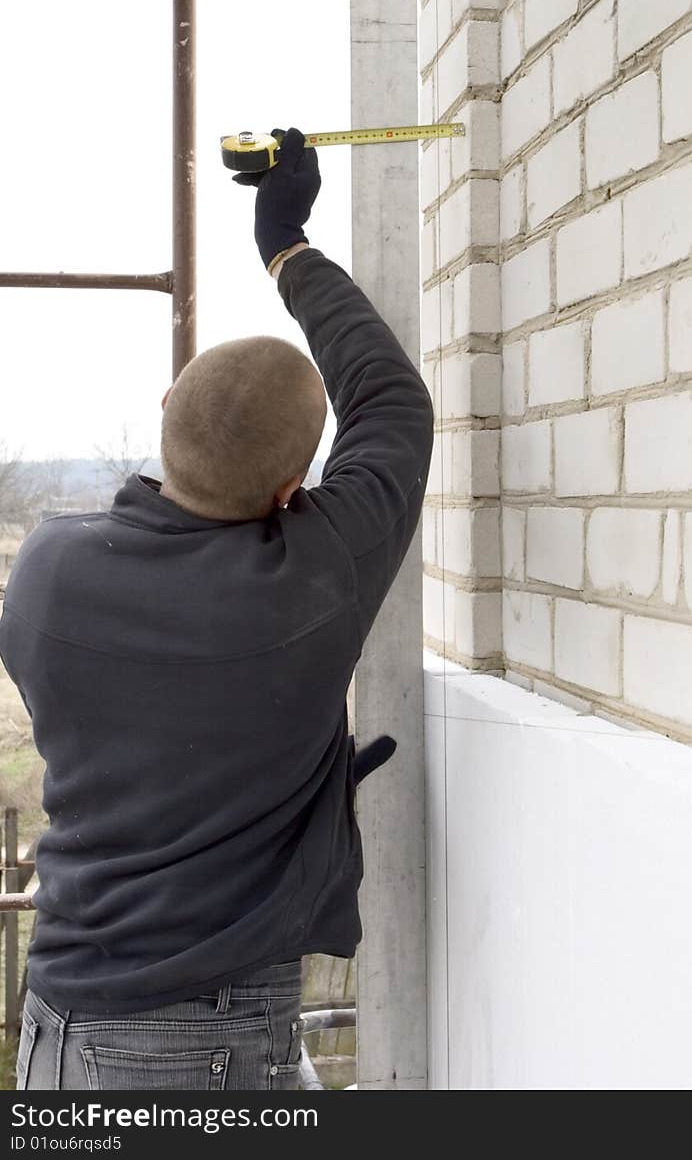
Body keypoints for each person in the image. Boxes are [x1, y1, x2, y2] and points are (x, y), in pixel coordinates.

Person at [0, 129, 434, 1090]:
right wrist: (285, 242)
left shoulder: (47, 572)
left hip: (62, 1028)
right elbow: (394, 405)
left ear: (164, 409)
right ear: (292, 489)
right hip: (197, 1053)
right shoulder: (308, 585)